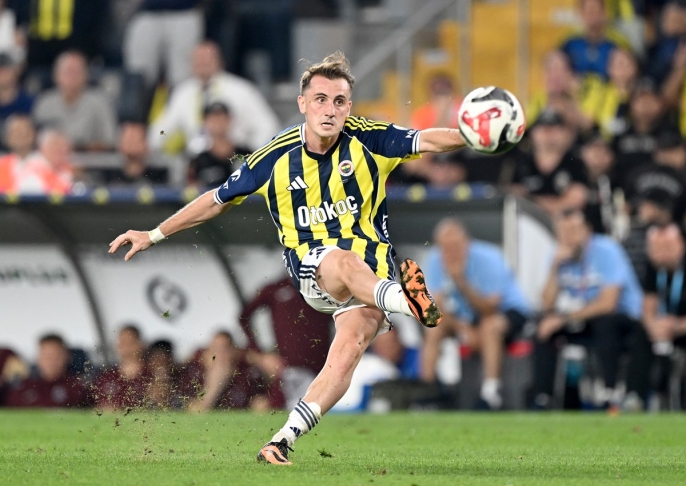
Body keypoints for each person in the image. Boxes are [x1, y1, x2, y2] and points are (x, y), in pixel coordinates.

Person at [109, 51, 470, 465]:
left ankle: (281, 440)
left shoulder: (370, 139)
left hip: (374, 273)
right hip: (316, 266)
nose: (329, 110)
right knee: (342, 261)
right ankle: (408, 302)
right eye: (320, 99)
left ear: (349, 107)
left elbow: (429, 139)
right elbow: (216, 200)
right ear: (302, 104)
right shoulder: (275, 156)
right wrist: (154, 233)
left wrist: (474, 135)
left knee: (347, 353)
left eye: (339, 101)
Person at [531, 208, 651, 411]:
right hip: (586, 318)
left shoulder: (606, 250)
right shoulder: (557, 255)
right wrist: (554, 268)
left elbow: (608, 303)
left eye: (573, 230)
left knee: (605, 322)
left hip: (626, 319)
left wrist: (564, 318)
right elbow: (547, 304)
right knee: (543, 326)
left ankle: (609, 391)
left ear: (587, 230)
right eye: (563, 232)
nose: (568, 237)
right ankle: (543, 397)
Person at [420, 218, 531, 410]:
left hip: (506, 310)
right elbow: (435, 306)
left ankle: (490, 392)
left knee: (490, 327)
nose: (450, 253)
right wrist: (463, 329)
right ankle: (427, 390)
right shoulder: (436, 259)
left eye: (455, 246)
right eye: (445, 248)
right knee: (433, 328)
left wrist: (461, 281)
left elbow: (489, 309)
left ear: (466, 242)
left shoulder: (489, 258)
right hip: (467, 318)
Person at [149, 41, 280, 153]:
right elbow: (161, 130)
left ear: (220, 61)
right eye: (198, 59)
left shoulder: (242, 90)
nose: (202, 63)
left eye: (207, 59)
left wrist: (247, 154)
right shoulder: (183, 92)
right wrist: (163, 147)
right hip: (196, 162)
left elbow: (269, 128)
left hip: (235, 160)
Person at [239, 275, 332, 410]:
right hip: (289, 370)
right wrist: (261, 355)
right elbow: (244, 316)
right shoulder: (277, 288)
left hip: (325, 368)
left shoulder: (328, 288)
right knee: (271, 408)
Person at [32, 50, 117, 152]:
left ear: (87, 75)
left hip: (90, 159)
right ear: (56, 75)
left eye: (77, 72)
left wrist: (80, 147)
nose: (72, 77)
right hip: (51, 159)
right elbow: (35, 140)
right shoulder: (45, 102)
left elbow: (110, 142)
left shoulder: (100, 102)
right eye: (68, 71)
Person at [509, 109, 588, 215]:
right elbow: (513, 196)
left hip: (564, 221)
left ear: (565, 134)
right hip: (529, 220)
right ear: (533, 133)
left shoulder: (574, 162)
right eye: (544, 129)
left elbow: (577, 199)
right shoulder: (521, 163)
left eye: (554, 129)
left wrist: (535, 202)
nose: (549, 134)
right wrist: (556, 202)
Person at [642, 223, 686, 408]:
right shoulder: (654, 269)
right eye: (656, 248)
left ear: (681, 245)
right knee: (639, 334)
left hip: (680, 327)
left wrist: (677, 326)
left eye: (667, 247)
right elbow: (648, 306)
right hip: (664, 330)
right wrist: (653, 326)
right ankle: (635, 397)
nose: (662, 254)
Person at [180, 331, 270, 412]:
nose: (220, 354)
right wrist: (214, 385)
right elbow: (193, 411)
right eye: (215, 349)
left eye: (225, 349)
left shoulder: (245, 374)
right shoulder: (195, 374)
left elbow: (261, 403)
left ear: (233, 351)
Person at [123, 0, 204, 90]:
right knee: (139, 72)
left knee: (182, 76)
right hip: (147, 12)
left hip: (185, 11)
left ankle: (180, 97)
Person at [3, 334, 90, 408]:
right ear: (38, 358)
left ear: (66, 357)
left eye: (56, 357)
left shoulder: (77, 387)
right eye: (46, 356)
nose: (51, 362)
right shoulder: (24, 387)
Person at [560, 0, 631, 81]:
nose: (591, 15)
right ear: (581, 13)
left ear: (603, 12)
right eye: (588, 11)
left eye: (595, 10)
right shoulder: (570, 43)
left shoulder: (617, 42)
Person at [186, 101, 251, 188]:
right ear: (205, 122)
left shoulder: (247, 155)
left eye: (222, 118)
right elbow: (192, 191)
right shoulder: (198, 163)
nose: (218, 123)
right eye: (213, 119)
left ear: (230, 120)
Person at [93, 325, 150, 410]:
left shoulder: (151, 375)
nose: (124, 347)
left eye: (129, 342)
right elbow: (95, 408)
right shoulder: (107, 377)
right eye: (121, 342)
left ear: (140, 345)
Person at [97, 122, 169, 187]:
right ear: (119, 144)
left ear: (146, 144)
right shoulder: (106, 174)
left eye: (135, 139)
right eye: (128, 139)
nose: (131, 143)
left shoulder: (160, 175)